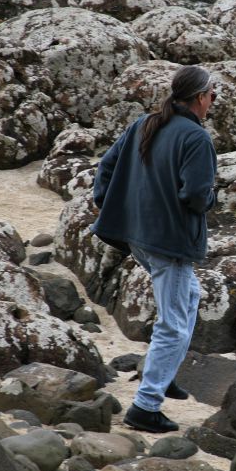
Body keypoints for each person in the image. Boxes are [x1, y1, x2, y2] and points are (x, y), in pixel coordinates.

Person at [90, 65, 218, 433]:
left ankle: (166, 373)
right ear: (199, 97)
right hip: (169, 244)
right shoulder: (196, 139)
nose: (213, 101)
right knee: (174, 326)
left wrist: (111, 204)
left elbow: (107, 167)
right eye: (213, 95)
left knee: (189, 295)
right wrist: (211, 199)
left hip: (138, 237)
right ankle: (145, 407)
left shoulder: (146, 123)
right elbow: (195, 195)